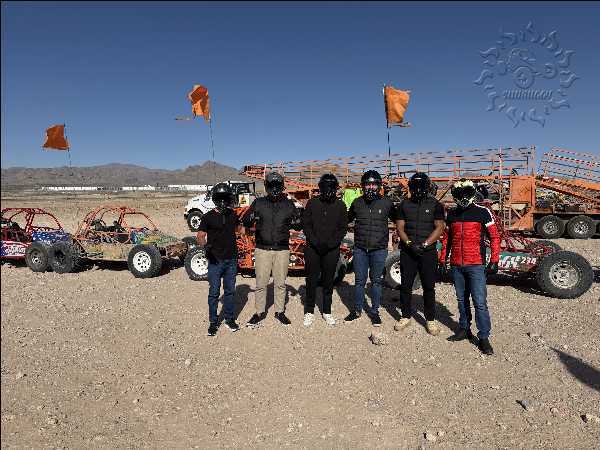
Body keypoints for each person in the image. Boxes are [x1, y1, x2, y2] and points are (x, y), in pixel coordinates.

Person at [439, 179, 501, 355]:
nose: (463, 197)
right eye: (460, 194)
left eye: (466, 193)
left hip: (476, 265)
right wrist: (443, 259)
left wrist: (494, 260)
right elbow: (447, 239)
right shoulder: (451, 213)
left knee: (479, 302)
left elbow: (494, 237)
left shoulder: (483, 212)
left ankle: (484, 337)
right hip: (457, 264)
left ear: (472, 193)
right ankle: (464, 329)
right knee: (461, 300)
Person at [243, 171, 301, 328]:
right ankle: (259, 312)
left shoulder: (288, 204)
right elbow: (246, 221)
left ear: (281, 187)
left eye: (277, 185)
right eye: (272, 185)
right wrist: (250, 218)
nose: (274, 189)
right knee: (261, 283)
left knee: (280, 283)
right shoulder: (259, 203)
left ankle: (279, 311)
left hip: (282, 249)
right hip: (262, 249)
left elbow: (298, 224)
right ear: (267, 187)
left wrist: (298, 221)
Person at [394, 172, 446, 335]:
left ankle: (430, 319)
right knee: (406, 286)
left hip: (427, 252)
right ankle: (405, 316)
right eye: (415, 186)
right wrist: (409, 244)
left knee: (429, 286)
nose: (418, 190)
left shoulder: (435, 204)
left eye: (421, 186)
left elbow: (440, 227)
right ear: (410, 187)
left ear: (427, 187)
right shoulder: (404, 205)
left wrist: (424, 245)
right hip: (408, 251)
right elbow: (400, 228)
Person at [345, 170, 396, 326]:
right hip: (360, 248)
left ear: (379, 186)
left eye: (374, 184)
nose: (371, 187)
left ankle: (374, 312)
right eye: (368, 184)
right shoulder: (357, 202)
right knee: (359, 281)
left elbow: (399, 220)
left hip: (379, 249)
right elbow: (346, 219)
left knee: (376, 281)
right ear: (363, 186)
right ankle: (357, 310)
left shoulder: (387, 203)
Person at [301, 173, 348, 327]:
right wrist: (315, 242)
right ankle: (309, 310)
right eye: (325, 187)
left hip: (331, 249)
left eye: (331, 187)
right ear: (320, 188)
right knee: (311, 280)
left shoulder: (340, 206)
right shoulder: (312, 203)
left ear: (335, 188)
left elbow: (342, 228)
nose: (328, 190)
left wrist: (331, 244)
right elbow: (306, 225)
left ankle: (327, 311)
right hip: (313, 248)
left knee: (328, 281)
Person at [197, 183, 242, 336]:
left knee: (230, 291)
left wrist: (253, 223)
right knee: (214, 292)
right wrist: (206, 247)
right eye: (220, 198)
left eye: (225, 198)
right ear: (215, 199)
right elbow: (200, 236)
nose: (223, 202)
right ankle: (213, 322)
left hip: (231, 259)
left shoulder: (233, 214)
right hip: (215, 260)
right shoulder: (207, 217)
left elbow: (241, 230)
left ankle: (229, 319)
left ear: (229, 199)